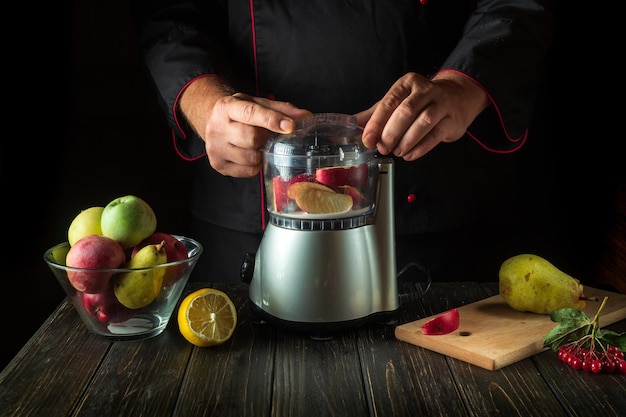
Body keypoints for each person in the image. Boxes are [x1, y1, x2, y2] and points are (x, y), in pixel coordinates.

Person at [131, 0, 555, 283]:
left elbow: (515, 4)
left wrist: (464, 84)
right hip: (247, 216)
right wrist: (208, 106)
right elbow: (168, 14)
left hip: (434, 211)